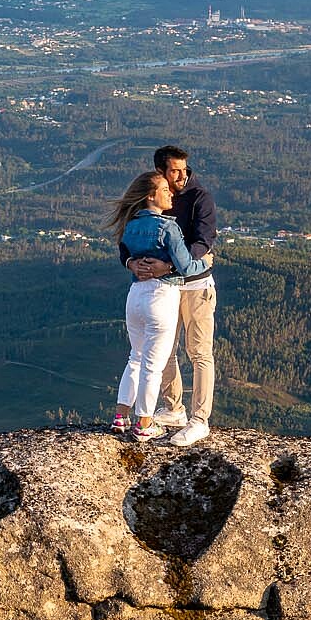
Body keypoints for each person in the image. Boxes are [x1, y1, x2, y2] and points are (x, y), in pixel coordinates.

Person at [104, 169, 205, 444]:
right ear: (151, 196)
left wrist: (132, 264)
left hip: (135, 294)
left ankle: (121, 416)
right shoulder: (168, 227)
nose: (170, 193)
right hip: (162, 296)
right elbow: (186, 266)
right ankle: (145, 424)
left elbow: (125, 252)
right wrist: (205, 262)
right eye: (164, 190)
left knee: (135, 358)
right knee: (153, 366)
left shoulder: (131, 225)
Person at [125, 145, 217, 446]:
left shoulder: (199, 198)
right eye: (175, 170)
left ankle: (199, 420)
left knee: (199, 352)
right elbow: (127, 244)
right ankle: (173, 408)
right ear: (161, 171)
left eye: (185, 169)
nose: (182, 175)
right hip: (164, 289)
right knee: (163, 352)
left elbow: (205, 240)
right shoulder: (155, 198)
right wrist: (131, 263)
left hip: (196, 285)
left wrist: (171, 264)